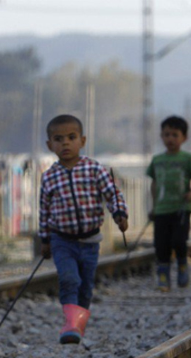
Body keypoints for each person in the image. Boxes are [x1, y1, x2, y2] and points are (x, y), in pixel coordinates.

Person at [39, 114, 128, 344]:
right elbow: (44, 210)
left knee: (86, 286)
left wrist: (119, 214)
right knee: (69, 279)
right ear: (50, 145)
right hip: (62, 240)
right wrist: (45, 239)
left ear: (82, 140)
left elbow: (112, 194)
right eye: (58, 139)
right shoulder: (49, 177)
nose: (65, 143)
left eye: (71, 137)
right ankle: (70, 325)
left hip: (90, 241)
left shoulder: (94, 169)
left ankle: (78, 321)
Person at [147, 116, 191, 291]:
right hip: (162, 210)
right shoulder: (157, 160)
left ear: (184, 138)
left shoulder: (188, 159)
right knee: (161, 244)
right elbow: (154, 184)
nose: (170, 138)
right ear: (161, 136)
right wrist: (154, 207)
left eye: (174, 135)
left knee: (179, 240)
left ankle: (182, 265)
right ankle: (163, 277)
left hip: (181, 208)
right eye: (166, 134)